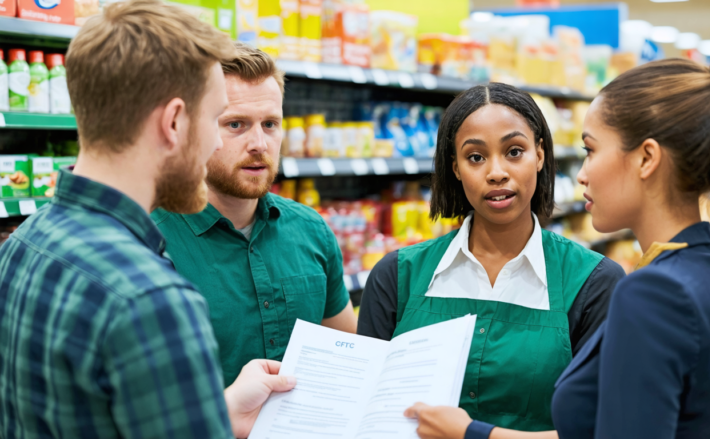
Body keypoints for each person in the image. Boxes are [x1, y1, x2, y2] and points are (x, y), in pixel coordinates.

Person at [404, 55, 710, 439]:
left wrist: (471, 434)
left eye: (591, 150)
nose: (581, 173)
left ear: (646, 158)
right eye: (475, 157)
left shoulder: (653, 292)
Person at [0, 1, 294, 438]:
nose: (217, 141)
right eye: (218, 120)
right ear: (174, 122)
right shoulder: (151, 299)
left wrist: (220, 409)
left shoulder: (22, 243)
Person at [357, 82, 625, 433]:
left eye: (514, 151)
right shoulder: (396, 276)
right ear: (455, 167)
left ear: (540, 154)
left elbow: (603, 429)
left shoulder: (595, 283)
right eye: (476, 157)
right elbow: (365, 412)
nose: (496, 172)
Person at [152, 44, 357, 387]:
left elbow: (351, 355)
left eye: (270, 124)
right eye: (236, 124)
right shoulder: (150, 241)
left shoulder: (312, 231)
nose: (259, 143)